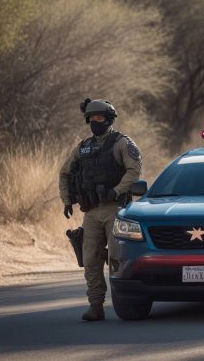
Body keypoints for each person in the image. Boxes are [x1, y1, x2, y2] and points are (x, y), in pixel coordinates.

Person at [59, 98, 142, 321]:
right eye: (92, 118)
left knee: (117, 258)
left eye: (100, 118)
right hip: (91, 212)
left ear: (109, 119)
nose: (96, 121)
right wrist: (67, 200)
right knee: (90, 259)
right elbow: (65, 172)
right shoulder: (83, 147)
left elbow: (134, 171)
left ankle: (126, 304)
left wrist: (116, 190)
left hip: (116, 210)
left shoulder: (122, 143)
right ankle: (95, 306)